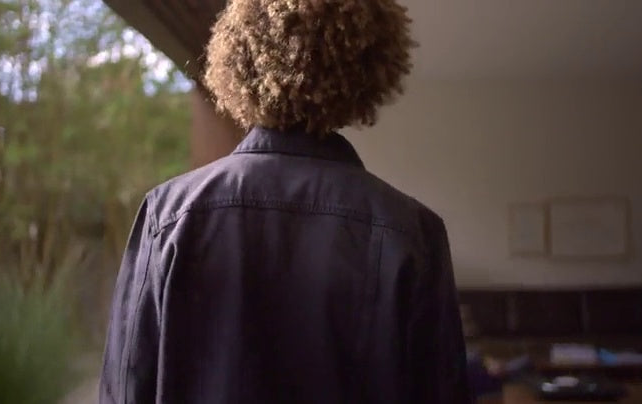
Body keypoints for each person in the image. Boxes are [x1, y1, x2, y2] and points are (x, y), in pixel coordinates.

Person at [99, 0, 470, 403]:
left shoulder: (169, 215)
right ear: (368, 70)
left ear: (240, 60)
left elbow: (125, 388)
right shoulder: (412, 232)